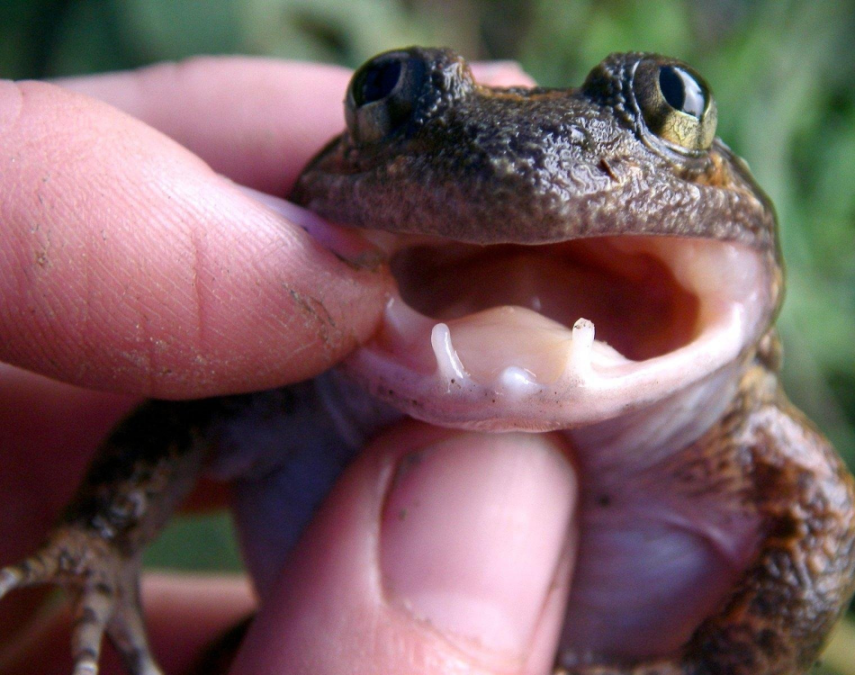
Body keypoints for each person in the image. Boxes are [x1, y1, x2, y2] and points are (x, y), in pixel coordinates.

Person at [0, 57, 578, 675]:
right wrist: (101, 533)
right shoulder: (297, 374)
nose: (524, 176)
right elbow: (178, 422)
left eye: (670, 108)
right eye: (392, 100)